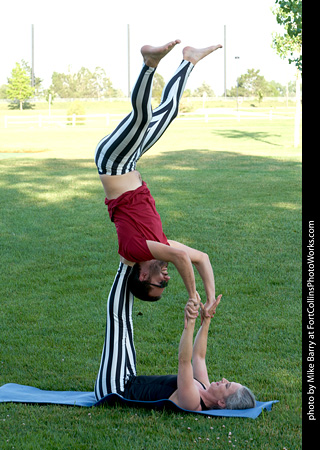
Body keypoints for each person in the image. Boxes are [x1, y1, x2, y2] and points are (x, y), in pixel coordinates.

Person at [94, 40, 223, 401]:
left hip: (112, 162)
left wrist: (192, 296)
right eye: (166, 282)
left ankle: (149, 65)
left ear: (142, 273)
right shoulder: (159, 244)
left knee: (142, 118)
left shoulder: (135, 249)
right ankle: (188, 63)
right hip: (130, 162)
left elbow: (182, 261)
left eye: (158, 282)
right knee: (167, 113)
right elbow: (200, 257)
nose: (164, 278)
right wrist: (209, 299)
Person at [95, 288, 256, 410]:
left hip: (114, 390)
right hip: (128, 379)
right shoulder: (204, 387)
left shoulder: (192, 401)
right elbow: (198, 356)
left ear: (221, 403)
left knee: (118, 317)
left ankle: (126, 263)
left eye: (226, 386)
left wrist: (190, 321)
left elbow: (184, 361)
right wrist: (206, 320)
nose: (224, 380)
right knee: (124, 322)